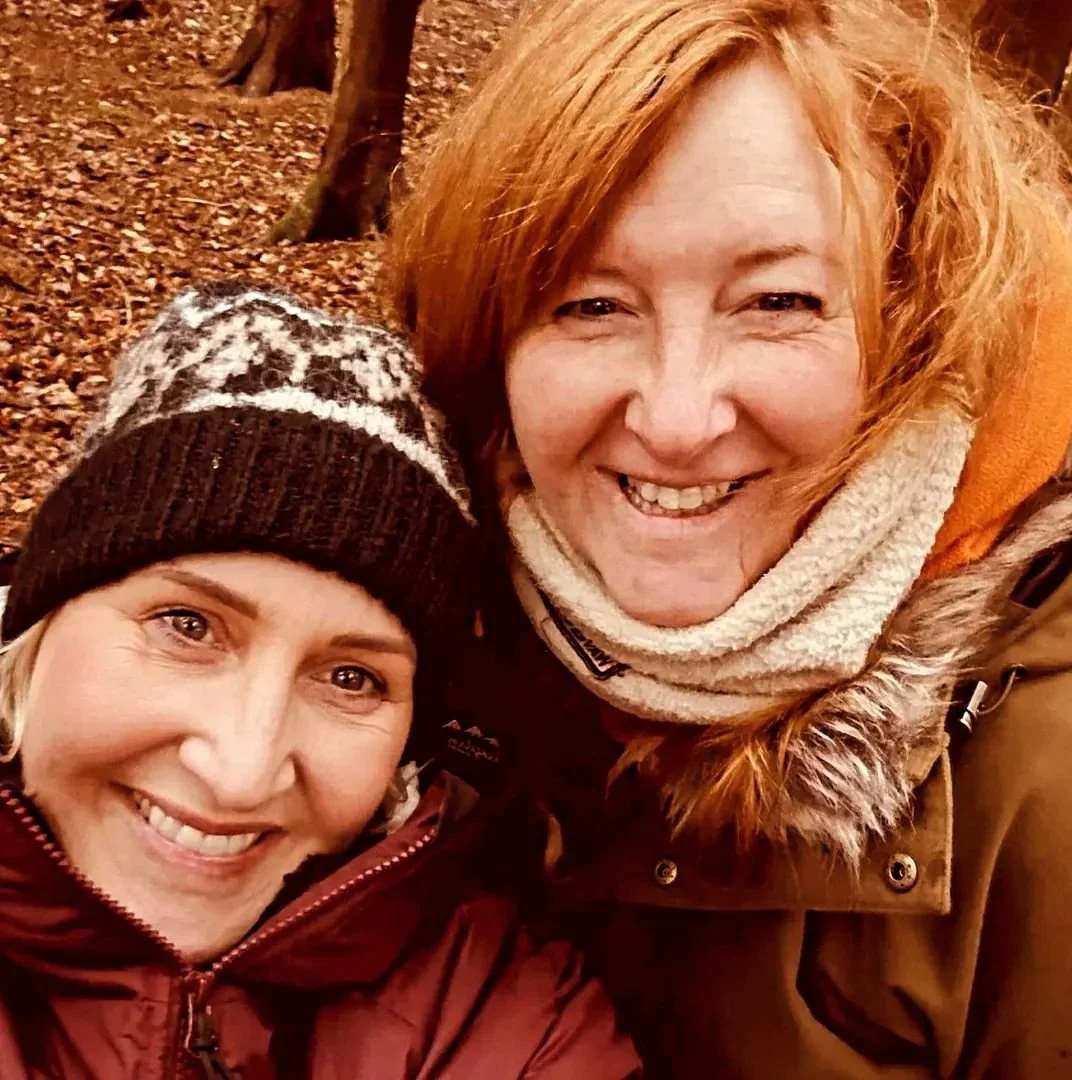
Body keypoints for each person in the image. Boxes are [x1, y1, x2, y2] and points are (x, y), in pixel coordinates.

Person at [389, 0, 1072, 1075]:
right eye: (589, 305)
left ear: (912, 325)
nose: (675, 417)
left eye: (776, 301)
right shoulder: (389, 667)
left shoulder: (1052, 797)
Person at [0, 282, 641, 1079]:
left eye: (351, 677)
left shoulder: (503, 1019)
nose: (240, 772)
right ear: (38, 620)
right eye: (187, 626)